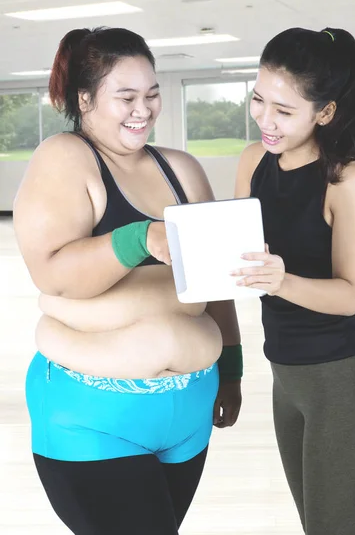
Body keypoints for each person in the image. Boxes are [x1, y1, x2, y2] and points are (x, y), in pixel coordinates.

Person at [13, 26, 242, 535]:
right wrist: (139, 239)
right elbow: (53, 272)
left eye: (153, 94)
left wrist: (232, 368)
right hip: (93, 419)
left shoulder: (181, 169)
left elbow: (215, 286)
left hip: (187, 413)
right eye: (127, 97)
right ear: (85, 99)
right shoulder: (65, 157)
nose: (144, 109)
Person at [232, 27, 355, 535]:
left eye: (284, 110)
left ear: (325, 112)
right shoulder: (253, 161)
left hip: (341, 382)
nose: (265, 120)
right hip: (286, 378)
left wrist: (282, 281)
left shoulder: (347, 182)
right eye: (259, 100)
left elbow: (350, 296)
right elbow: (237, 250)